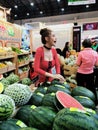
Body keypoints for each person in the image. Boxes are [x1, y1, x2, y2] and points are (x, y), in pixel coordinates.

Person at [76, 38, 98, 105]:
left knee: (80, 89)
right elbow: (96, 64)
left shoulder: (81, 53)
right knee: (91, 88)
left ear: (83, 45)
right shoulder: (95, 53)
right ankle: (95, 102)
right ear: (91, 44)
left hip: (80, 74)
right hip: (90, 74)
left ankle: (80, 103)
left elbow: (78, 64)